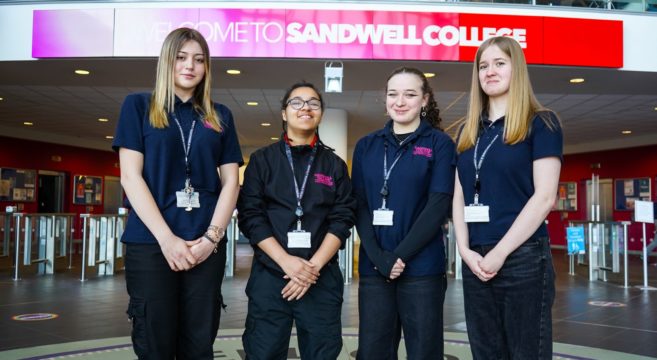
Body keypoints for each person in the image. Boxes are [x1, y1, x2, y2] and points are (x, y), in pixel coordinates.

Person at [112, 27, 242, 359]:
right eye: (181, 57)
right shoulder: (139, 106)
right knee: (154, 342)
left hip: (204, 246)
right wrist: (167, 239)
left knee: (199, 343)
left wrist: (212, 238)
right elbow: (130, 177)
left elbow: (231, 182)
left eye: (199, 60)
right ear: (167, 61)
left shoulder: (219, 116)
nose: (190, 66)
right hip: (151, 244)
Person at [452, 36, 563, 359]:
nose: (489, 71)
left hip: (523, 258)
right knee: (486, 352)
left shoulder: (541, 123)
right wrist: (464, 249)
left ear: (517, 69)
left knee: (526, 351)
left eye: (499, 63)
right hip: (476, 259)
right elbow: (459, 194)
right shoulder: (467, 131)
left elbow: (544, 198)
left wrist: (500, 253)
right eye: (483, 66)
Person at [237, 82, 356, 360]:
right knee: (263, 352)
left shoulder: (334, 165)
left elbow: (342, 218)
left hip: (321, 277)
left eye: (314, 103)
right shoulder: (262, 160)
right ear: (283, 113)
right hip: (270, 275)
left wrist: (310, 269)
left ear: (321, 113)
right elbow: (251, 216)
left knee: (322, 353)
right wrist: (287, 262)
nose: (306, 108)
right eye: (297, 102)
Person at [352, 67, 455, 359]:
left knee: (424, 352)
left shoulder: (439, 143)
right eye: (393, 94)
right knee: (372, 352)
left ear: (424, 101)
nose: (400, 101)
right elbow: (358, 204)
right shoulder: (366, 146)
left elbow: (437, 207)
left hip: (422, 270)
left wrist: (398, 257)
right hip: (375, 269)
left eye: (410, 94)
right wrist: (378, 257)